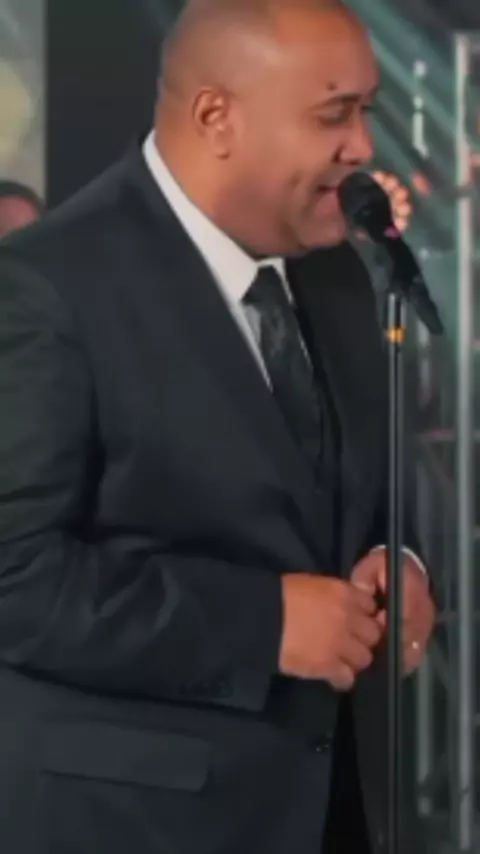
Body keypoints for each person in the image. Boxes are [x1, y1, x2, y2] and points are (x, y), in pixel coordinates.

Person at [0, 1, 435, 852]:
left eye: (366, 111)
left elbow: (363, 485)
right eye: (333, 115)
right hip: (137, 826)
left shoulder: (341, 274)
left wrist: (401, 559)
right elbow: (14, 575)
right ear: (215, 116)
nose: (361, 146)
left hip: (340, 811)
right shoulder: (43, 287)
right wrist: (263, 626)